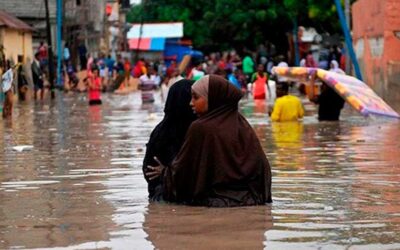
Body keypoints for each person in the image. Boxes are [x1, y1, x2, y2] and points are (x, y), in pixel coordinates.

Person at [150, 75, 272, 207]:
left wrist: (164, 173)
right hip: (253, 202)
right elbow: (262, 168)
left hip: (215, 205)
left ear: (213, 99)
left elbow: (184, 172)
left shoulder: (200, 127)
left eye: (196, 97)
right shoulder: (243, 125)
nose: (191, 103)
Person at [143, 79, 197, 201]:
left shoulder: (197, 128)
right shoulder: (165, 133)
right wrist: (168, 174)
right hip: (166, 196)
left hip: (163, 197)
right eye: (192, 98)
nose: (193, 103)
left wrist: (166, 172)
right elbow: (150, 171)